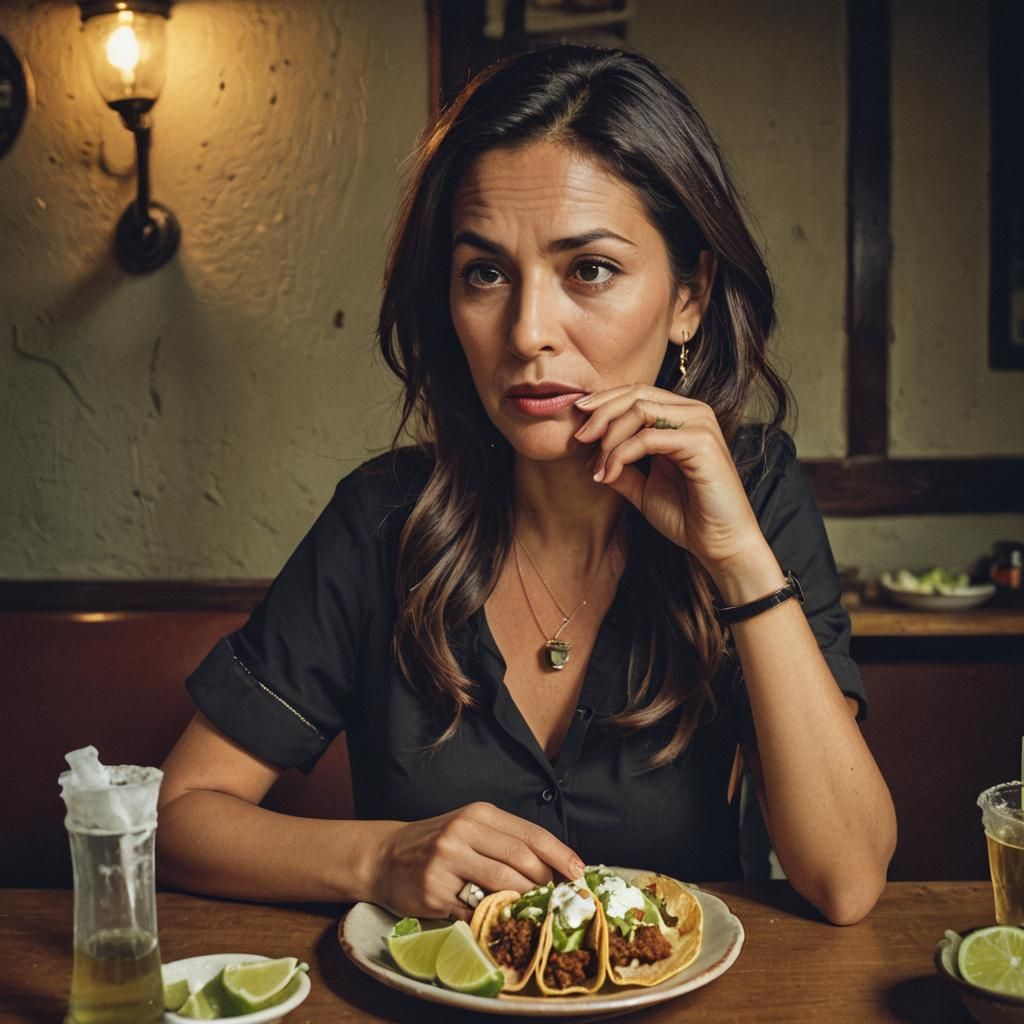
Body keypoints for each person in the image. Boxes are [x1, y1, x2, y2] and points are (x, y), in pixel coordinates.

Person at [157, 44, 896, 927]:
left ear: (690, 296)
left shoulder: (756, 496)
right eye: (486, 273)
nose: (527, 331)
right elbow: (177, 816)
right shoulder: (380, 521)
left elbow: (847, 880)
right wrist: (379, 855)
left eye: (589, 269)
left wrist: (736, 561)